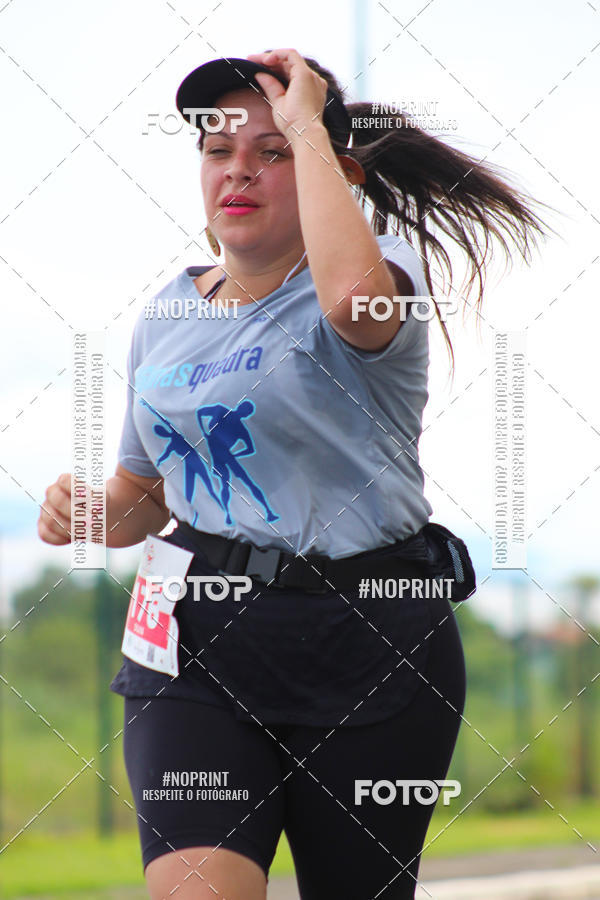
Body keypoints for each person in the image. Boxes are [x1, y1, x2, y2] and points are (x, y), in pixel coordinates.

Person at [38, 49, 550, 900]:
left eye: (272, 152)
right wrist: (87, 512)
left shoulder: (386, 278)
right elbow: (146, 494)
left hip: (373, 639)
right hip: (194, 641)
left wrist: (309, 122)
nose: (238, 171)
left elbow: (353, 299)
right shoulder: (168, 315)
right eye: (218, 151)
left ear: (331, 171)